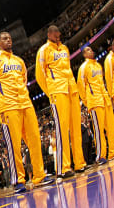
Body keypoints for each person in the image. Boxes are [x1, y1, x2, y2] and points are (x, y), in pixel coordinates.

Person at [0, 32, 54, 193]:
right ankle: (18, 180)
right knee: (14, 144)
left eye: (10, 37)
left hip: (25, 104)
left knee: (35, 140)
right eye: (4, 38)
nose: (8, 40)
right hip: (8, 106)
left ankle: (39, 176)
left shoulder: (20, 61)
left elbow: (24, 80)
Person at [35, 25, 85, 178]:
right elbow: (39, 74)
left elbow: (68, 68)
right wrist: (51, 91)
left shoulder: (64, 49)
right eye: (56, 32)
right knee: (62, 129)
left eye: (59, 32)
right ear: (49, 34)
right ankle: (64, 167)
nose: (59, 34)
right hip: (57, 91)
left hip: (72, 89)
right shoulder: (43, 50)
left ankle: (79, 163)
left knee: (76, 128)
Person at [77, 46, 114, 164]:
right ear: (84, 55)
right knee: (99, 130)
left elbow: (102, 83)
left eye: (91, 49)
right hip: (95, 101)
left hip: (105, 100)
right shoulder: (83, 68)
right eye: (88, 50)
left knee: (111, 128)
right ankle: (100, 155)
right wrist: (88, 101)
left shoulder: (98, 66)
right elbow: (81, 87)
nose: (91, 51)